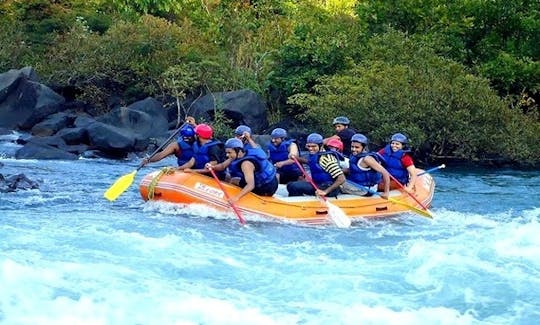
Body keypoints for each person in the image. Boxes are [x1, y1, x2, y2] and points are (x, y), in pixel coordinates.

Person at [207, 138, 278, 202]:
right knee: (233, 179)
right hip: (270, 180)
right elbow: (222, 166)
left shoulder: (246, 164)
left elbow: (250, 185)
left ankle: (245, 198)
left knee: (233, 181)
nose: (227, 155)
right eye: (227, 152)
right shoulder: (236, 155)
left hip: (266, 187)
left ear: (239, 151)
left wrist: (236, 197)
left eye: (229, 152)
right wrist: (212, 167)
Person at [287, 133, 345, 197]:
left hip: (328, 189)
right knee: (290, 184)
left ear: (321, 146)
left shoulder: (327, 159)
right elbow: (309, 162)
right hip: (318, 185)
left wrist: (325, 192)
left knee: (294, 187)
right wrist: (295, 157)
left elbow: (341, 178)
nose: (310, 149)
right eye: (309, 146)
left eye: (314, 146)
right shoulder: (316, 155)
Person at [341, 134, 390, 199]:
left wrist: (386, 192)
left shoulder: (367, 159)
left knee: (337, 183)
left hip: (366, 190)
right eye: (352, 147)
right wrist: (339, 171)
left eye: (357, 147)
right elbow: (354, 170)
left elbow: (385, 173)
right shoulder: (355, 156)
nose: (353, 149)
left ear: (364, 148)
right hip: (358, 184)